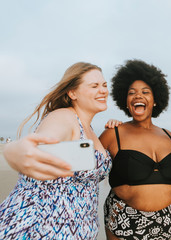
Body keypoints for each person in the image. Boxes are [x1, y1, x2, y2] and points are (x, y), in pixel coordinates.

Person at [0, 62, 112, 239]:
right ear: (72, 92)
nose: (103, 90)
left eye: (104, 85)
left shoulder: (90, 130)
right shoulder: (63, 117)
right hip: (39, 228)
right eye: (94, 86)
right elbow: (45, 140)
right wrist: (15, 150)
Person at [99, 59, 171, 239]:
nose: (138, 96)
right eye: (132, 93)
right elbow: (84, 169)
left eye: (145, 92)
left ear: (155, 101)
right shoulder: (113, 134)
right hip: (126, 223)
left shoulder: (169, 135)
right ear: (126, 101)